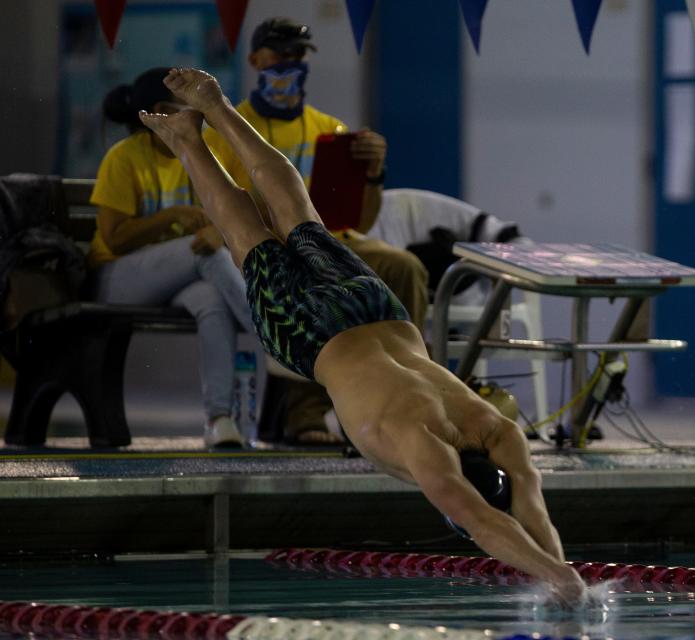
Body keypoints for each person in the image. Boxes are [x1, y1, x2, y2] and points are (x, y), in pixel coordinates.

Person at [138, 67, 587, 606]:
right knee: (247, 236)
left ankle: (217, 107)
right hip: (317, 338)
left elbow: (530, 505)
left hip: (378, 312)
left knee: (299, 214)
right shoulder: (425, 454)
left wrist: (563, 570)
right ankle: (189, 137)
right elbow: (485, 524)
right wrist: (559, 580)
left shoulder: (496, 432)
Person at [204, 17, 428, 446]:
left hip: (330, 240)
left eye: (298, 55)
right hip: (271, 244)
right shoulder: (228, 128)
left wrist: (374, 173)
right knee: (314, 276)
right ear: (254, 60)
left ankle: (407, 385)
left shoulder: (330, 130)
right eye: (280, 54)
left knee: (405, 267)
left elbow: (358, 221)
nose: (290, 63)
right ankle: (307, 411)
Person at [91, 67, 256, 448]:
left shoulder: (201, 154)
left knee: (213, 302)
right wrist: (171, 217)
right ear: (157, 112)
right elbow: (113, 240)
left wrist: (219, 230)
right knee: (200, 252)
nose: (193, 116)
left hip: (178, 279)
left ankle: (219, 419)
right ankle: (270, 334)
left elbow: (233, 213)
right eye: (182, 107)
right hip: (116, 280)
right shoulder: (125, 157)